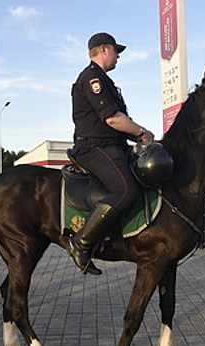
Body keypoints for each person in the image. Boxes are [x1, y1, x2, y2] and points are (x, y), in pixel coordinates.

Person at [67, 33, 155, 275]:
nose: (118, 56)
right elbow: (113, 119)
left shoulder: (104, 80)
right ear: (104, 49)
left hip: (111, 145)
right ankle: (81, 243)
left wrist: (137, 135)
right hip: (95, 147)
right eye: (116, 51)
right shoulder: (92, 78)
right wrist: (143, 132)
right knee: (126, 189)